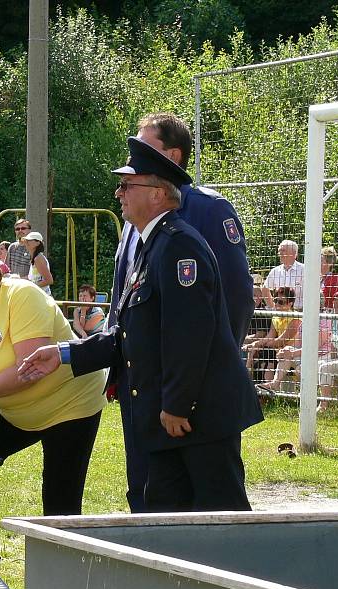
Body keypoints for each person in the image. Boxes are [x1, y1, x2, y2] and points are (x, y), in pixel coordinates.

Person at [19, 136, 263, 513]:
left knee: (221, 519)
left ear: (157, 194)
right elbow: (127, 331)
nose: (118, 193)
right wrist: (64, 353)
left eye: (127, 185)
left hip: (199, 418)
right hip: (172, 420)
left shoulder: (180, 246)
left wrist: (178, 404)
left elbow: (190, 335)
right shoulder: (151, 245)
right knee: (159, 513)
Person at [107, 112, 255, 512]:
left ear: (171, 158)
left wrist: (197, 381)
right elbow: (126, 299)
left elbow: (232, 303)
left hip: (189, 396)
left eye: (144, 149)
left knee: (210, 503)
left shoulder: (204, 212)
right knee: (149, 492)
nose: (120, 190)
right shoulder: (137, 222)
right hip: (144, 383)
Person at [0, 236, 106, 516]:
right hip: (16, 412)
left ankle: (61, 557)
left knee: (59, 502)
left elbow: (29, 370)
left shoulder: (22, 295)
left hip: (70, 405)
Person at [242, 286, 301, 385]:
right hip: (278, 350)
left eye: (281, 302)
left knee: (267, 354)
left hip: (293, 352)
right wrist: (256, 344)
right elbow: (270, 336)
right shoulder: (276, 316)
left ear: (290, 303)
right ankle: (247, 382)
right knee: (254, 350)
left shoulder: (295, 319)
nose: (277, 304)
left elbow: (281, 340)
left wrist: (261, 344)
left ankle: (268, 389)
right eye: (276, 301)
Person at [265, 240, 305, 310]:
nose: (280, 253)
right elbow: (265, 289)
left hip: (301, 313)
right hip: (281, 315)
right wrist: (273, 307)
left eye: (283, 250)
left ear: (294, 253)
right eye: (279, 251)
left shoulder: (304, 270)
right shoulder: (275, 271)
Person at [320, 246, 338, 310]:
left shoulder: (337, 280)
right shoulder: (315, 278)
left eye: (321, 260)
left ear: (330, 263)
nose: (317, 262)